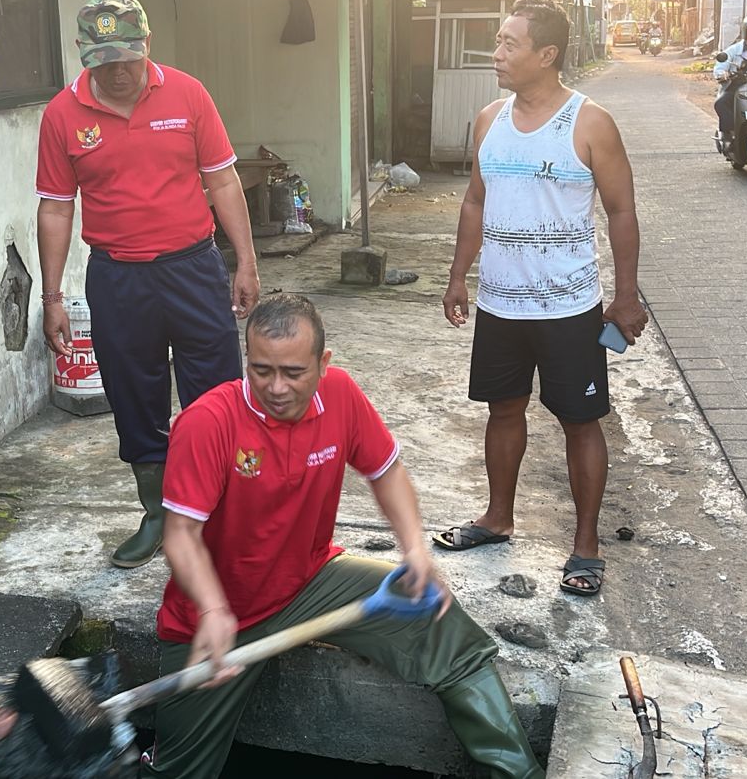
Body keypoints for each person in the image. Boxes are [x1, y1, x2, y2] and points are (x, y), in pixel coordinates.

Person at [146, 294, 542, 779]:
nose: (276, 387)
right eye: (261, 370)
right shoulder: (209, 422)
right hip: (214, 621)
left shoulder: (340, 394)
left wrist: (415, 549)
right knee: (180, 771)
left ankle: (515, 772)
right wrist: (210, 609)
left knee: (440, 621)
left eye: (293, 372)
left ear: (323, 362)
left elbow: (387, 470)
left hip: (309, 582)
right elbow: (181, 534)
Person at [36, 0, 260, 569]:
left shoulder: (188, 95)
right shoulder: (63, 115)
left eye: (126, 57)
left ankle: (216, 510)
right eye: (102, 60)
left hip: (192, 267)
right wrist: (53, 295)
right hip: (116, 276)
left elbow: (224, 182)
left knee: (214, 387)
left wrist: (246, 263)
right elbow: (57, 208)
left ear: (146, 46)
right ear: (85, 56)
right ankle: (157, 512)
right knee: (134, 394)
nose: (116, 71)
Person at [437, 0, 647, 600]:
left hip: (569, 308)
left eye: (509, 43)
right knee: (502, 410)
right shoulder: (488, 120)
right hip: (501, 305)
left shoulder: (590, 123)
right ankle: (497, 517)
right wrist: (459, 276)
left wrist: (626, 298)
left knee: (580, 422)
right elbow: (475, 201)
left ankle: (585, 545)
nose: (496, 53)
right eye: (499, 42)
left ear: (546, 54)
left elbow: (621, 210)